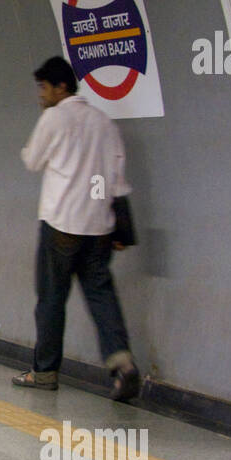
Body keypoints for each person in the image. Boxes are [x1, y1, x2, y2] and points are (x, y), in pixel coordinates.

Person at [11, 56, 140, 401]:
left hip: (61, 224)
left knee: (52, 298)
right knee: (101, 295)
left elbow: (32, 160)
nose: (40, 95)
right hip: (99, 226)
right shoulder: (103, 122)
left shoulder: (54, 118)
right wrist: (122, 232)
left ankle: (45, 372)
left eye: (44, 87)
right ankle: (123, 364)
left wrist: (36, 144)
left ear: (61, 87)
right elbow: (119, 181)